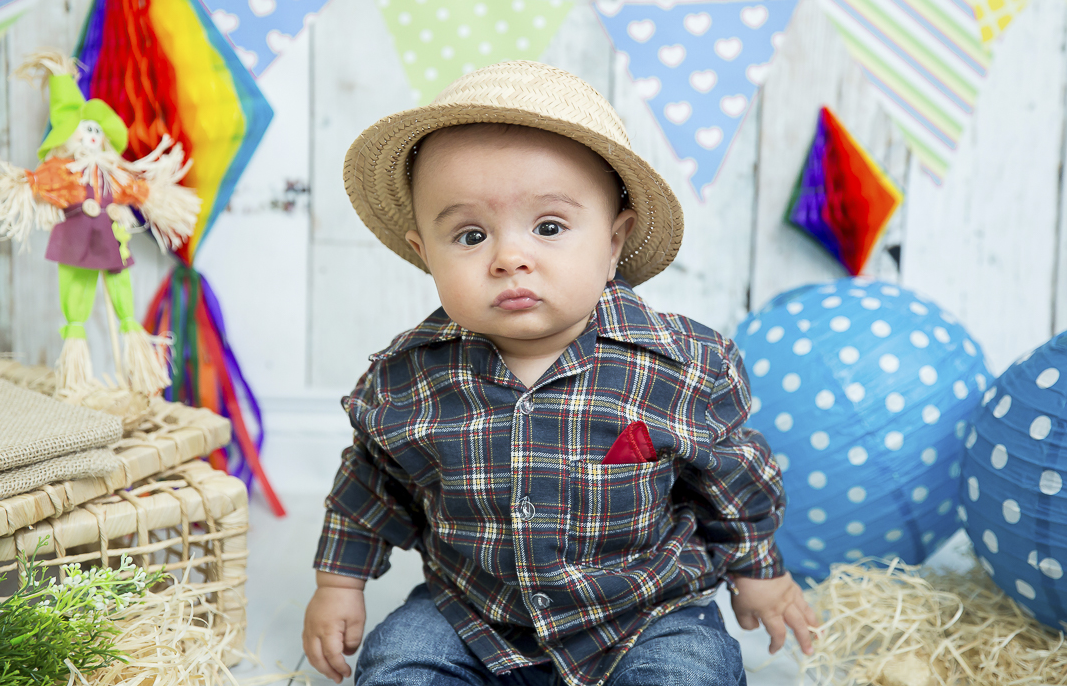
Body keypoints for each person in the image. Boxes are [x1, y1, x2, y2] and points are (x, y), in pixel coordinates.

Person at [303, 61, 816, 686]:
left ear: (614, 241)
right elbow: (370, 489)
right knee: (399, 665)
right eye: (469, 235)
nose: (510, 258)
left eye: (549, 227)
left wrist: (759, 573)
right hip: (471, 614)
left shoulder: (679, 368)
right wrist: (339, 584)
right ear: (424, 254)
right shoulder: (408, 380)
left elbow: (732, 481)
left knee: (691, 671)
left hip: (644, 616)